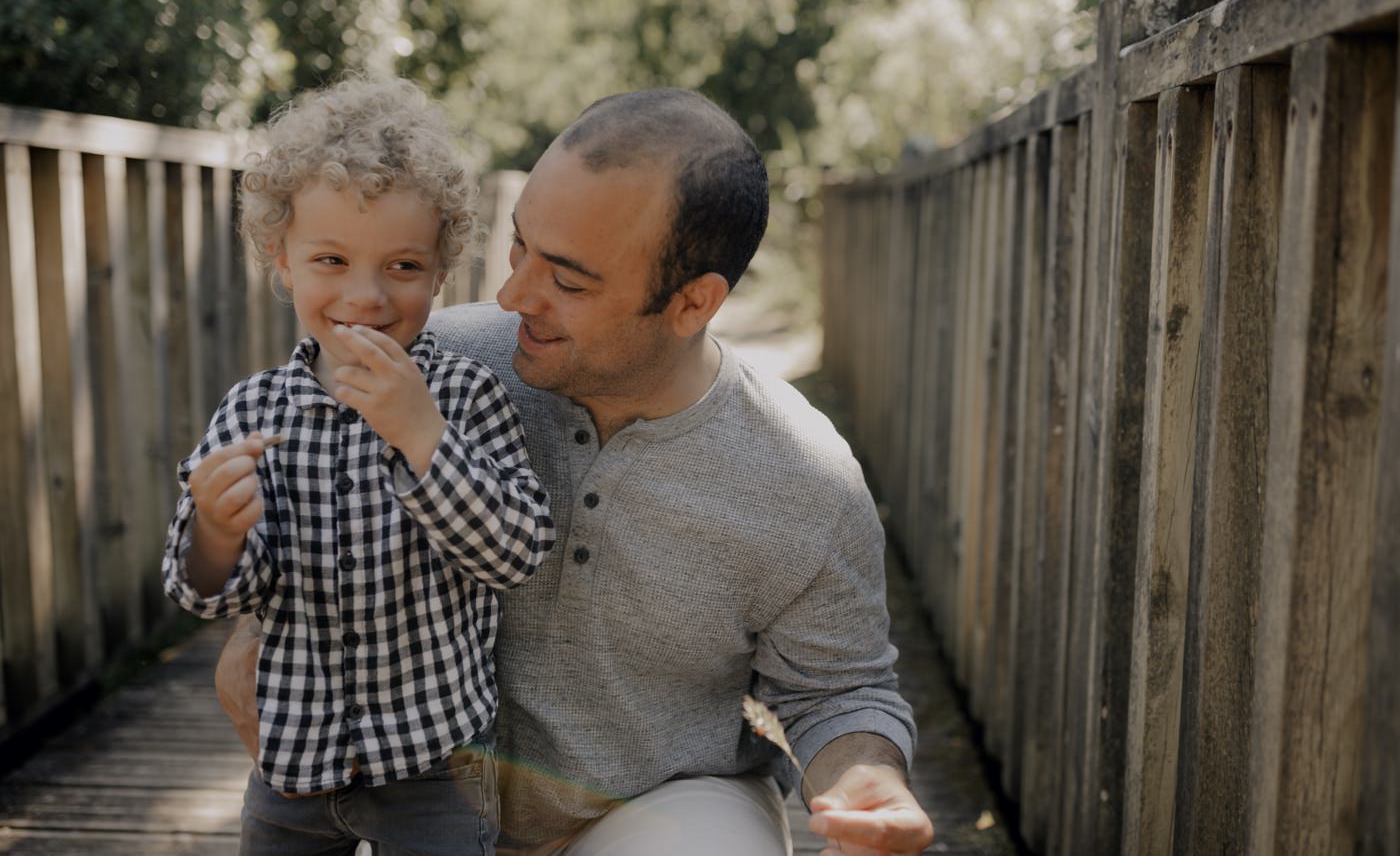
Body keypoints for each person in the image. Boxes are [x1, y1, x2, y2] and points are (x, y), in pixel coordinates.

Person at [217, 87, 936, 855]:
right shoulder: (429, 373)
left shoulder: (802, 478)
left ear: (693, 302)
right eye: (519, 247)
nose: (509, 294)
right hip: (416, 804)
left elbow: (841, 688)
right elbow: (301, 525)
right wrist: (250, 632)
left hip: (654, 809)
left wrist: (869, 782)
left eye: (567, 280)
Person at [162, 77, 555, 855]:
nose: (365, 296)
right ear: (282, 260)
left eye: (402, 267)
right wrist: (214, 530)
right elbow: (206, 595)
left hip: (437, 763)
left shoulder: (465, 396)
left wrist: (423, 437)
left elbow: (518, 553)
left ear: (441, 271)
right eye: (331, 259)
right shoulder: (252, 412)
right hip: (293, 765)